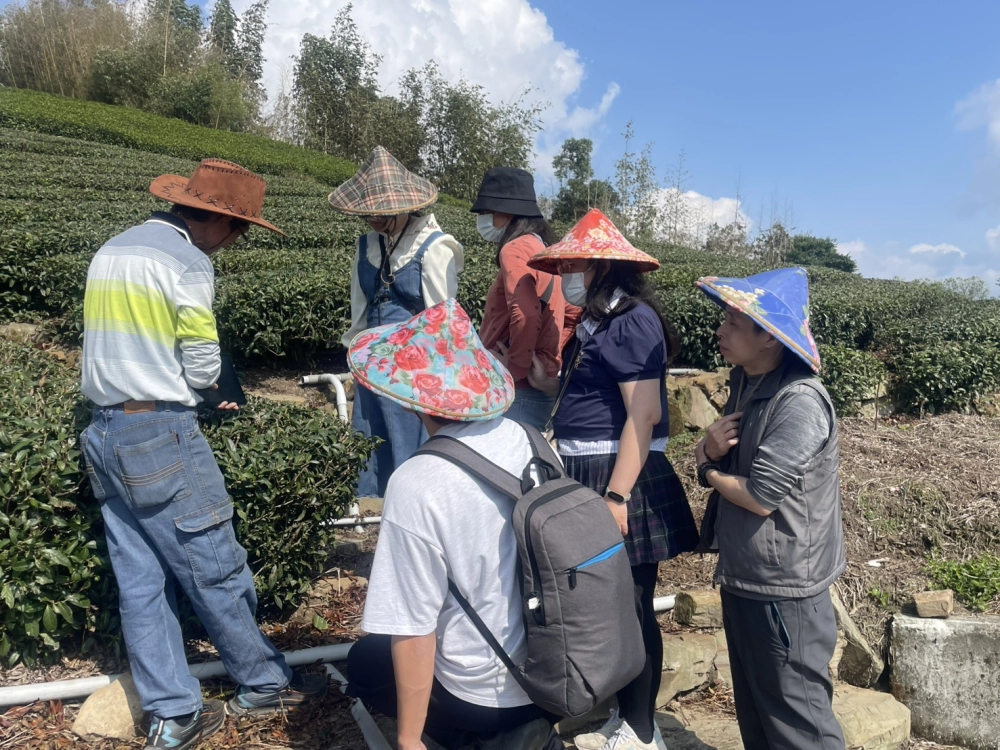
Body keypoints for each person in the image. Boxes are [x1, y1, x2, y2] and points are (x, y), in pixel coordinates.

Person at [79, 159, 327, 750]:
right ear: (220, 222)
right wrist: (211, 391)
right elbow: (201, 364)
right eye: (240, 232)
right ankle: (264, 683)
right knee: (214, 561)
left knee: (140, 580)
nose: (233, 244)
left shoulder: (113, 248)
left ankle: (173, 715)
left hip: (103, 431)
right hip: (159, 428)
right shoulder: (187, 261)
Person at [346, 299, 562, 750]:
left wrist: (408, 739)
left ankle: (465, 735)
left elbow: (412, 626)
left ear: (411, 399)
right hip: (558, 667)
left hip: (479, 695)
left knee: (365, 662)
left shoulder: (417, 481)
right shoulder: (532, 441)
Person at [526, 209, 699, 750]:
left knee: (633, 605)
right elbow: (597, 395)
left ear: (602, 266)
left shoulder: (631, 321)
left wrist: (618, 496)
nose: (566, 273)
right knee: (609, 604)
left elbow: (643, 415)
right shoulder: (598, 321)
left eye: (573, 263)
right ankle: (625, 716)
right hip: (590, 469)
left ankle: (643, 732)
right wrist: (550, 383)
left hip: (619, 475)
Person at [693, 268, 847, 750]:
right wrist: (711, 449)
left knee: (799, 725)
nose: (720, 330)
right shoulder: (748, 382)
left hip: (784, 589)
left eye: (734, 323)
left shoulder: (798, 401)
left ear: (770, 337)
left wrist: (705, 466)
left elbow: (761, 497)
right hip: (748, 574)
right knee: (759, 716)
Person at [329, 145, 464, 498]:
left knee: (409, 448)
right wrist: (354, 359)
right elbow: (359, 309)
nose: (374, 219)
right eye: (369, 213)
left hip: (414, 371)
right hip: (372, 365)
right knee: (371, 443)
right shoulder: (366, 246)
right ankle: (370, 512)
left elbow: (443, 320)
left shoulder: (434, 247)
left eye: (383, 213)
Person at [472, 167, 577, 431]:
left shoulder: (515, 248)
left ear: (506, 213)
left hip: (515, 392)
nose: (483, 219)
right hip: (537, 389)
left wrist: (515, 367)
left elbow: (527, 313)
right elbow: (573, 314)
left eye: (487, 212)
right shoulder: (544, 250)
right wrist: (546, 355)